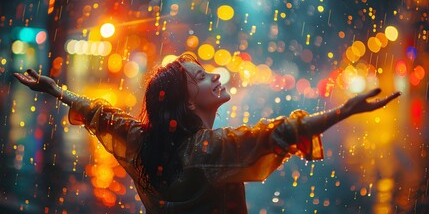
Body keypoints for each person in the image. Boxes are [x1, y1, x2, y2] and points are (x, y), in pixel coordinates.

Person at [13, 54, 400, 213]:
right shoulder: (210, 151)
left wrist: (55, 90)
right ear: (186, 103)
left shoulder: (142, 142)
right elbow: (278, 134)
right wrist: (341, 112)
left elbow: (97, 113)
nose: (215, 75)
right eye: (201, 77)